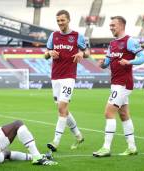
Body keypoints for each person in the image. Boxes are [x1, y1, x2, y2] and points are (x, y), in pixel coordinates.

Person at [93, 16, 144, 157]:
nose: (111, 27)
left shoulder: (130, 41)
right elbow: (107, 61)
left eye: (113, 25)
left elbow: (143, 58)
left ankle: (106, 148)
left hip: (123, 83)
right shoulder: (112, 44)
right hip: (116, 83)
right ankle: (132, 147)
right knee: (123, 114)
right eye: (110, 25)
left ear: (122, 26)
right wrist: (103, 64)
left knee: (108, 112)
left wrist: (129, 62)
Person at [44, 10, 90, 152]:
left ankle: (55, 141)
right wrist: (49, 53)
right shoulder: (54, 35)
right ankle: (78, 136)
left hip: (69, 77)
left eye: (62, 20)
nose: (60, 23)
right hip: (55, 77)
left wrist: (82, 53)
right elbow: (45, 54)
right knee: (63, 109)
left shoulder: (77, 36)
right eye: (58, 21)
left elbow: (87, 52)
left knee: (61, 108)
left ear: (68, 20)